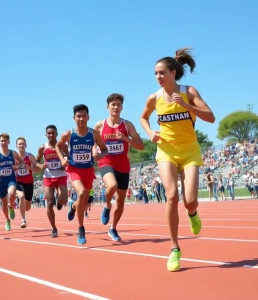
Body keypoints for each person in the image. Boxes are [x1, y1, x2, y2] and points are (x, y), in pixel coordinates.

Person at [140, 48, 215, 271]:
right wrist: (149, 132)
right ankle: (174, 249)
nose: (158, 77)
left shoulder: (188, 91)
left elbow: (210, 117)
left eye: (161, 72)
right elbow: (143, 117)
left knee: (189, 200)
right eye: (155, 73)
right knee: (171, 196)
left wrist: (186, 106)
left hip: (190, 150)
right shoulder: (154, 98)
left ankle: (192, 213)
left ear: (173, 72)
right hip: (166, 151)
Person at [55, 104, 108, 245]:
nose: (81, 118)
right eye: (79, 116)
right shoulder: (69, 134)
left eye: (84, 116)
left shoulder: (93, 134)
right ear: (74, 118)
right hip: (74, 170)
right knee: (83, 192)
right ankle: (81, 228)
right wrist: (62, 159)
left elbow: (105, 149)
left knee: (83, 203)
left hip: (88, 171)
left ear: (88, 117)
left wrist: (99, 156)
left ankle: (73, 207)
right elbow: (57, 146)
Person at [94, 93, 144, 241]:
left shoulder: (127, 125)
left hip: (123, 165)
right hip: (106, 162)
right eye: (113, 105)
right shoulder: (100, 125)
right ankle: (108, 205)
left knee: (121, 201)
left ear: (122, 107)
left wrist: (126, 138)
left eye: (118, 105)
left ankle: (113, 228)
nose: (116, 107)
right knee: (112, 185)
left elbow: (140, 145)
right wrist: (94, 151)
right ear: (107, 107)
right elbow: (93, 143)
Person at [36, 125, 68, 238]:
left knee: (64, 200)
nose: (51, 135)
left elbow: (69, 157)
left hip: (61, 175)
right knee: (49, 203)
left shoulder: (63, 146)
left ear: (56, 134)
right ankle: (54, 228)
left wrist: (65, 163)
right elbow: (36, 161)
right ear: (46, 135)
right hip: (48, 176)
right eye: (49, 133)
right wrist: (41, 165)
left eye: (53, 133)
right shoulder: (42, 148)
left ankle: (60, 201)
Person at [0, 133, 23, 231]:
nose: (3, 142)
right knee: (3, 202)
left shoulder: (13, 153)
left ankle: (11, 205)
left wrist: (17, 166)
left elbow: (22, 162)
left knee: (11, 193)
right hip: (0, 181)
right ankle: (7, 220)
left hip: (11, 178)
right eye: (1, 141)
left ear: (8, 142)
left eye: (5, 141)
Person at [15, 137, 43, 228]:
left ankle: (20, 207)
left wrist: (29, 168)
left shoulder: (30, 156)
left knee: (28, 207)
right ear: (16, 146)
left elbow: (38, 169)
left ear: (26, 145)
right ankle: (23, 220)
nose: (21, 145)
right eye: (19, 144)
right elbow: (8, 168)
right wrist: (15, 167)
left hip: (29, 183)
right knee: (21, 196)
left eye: (23, 144)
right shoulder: (13, 157)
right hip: (18, 181)